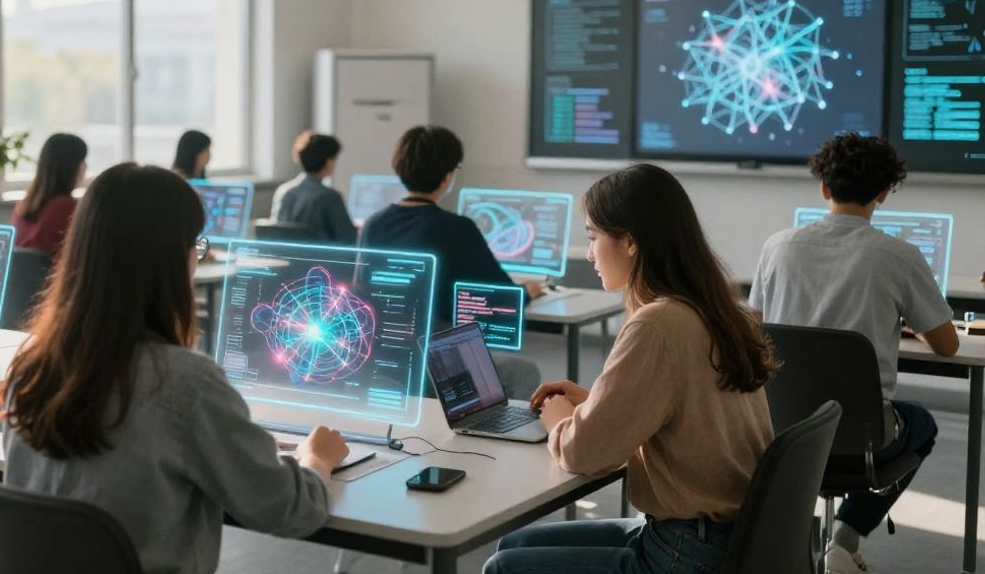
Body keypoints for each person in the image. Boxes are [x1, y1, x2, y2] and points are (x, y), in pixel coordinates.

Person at [0, 163, 347, 574]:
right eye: (194, 246)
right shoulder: (185, 382)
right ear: (171, 258)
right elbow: (289, 510)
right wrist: (317, 459)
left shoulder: (31, 365)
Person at [486, 163, 776, 574]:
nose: (588, 253)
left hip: (687, 552)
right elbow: (685, 414)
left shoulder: (657, 324)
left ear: (630, 241)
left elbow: (584, 453)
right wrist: (596, 403)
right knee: (516, 543)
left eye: (593, 237)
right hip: (729, 538)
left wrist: (559, 421)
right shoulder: (714, 309)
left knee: (503, 567)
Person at [750, 133, 957, 574]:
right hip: (863, 442)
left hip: (780, 433)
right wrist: (912, 327)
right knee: (922, 423)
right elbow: (948, 344)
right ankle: (844, 540)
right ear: (884, 193)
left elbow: (755, 328)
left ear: (824, 187)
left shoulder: (776, 247)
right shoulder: (898, 255)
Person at [360, 126, 542, 397]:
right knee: (524, 372)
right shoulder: (456, 228)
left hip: (381, 361)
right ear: (447, 176)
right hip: (435, 362)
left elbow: (361, 290)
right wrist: (529, 291)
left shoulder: (373, 225)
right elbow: (501, 298)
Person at [11, 133, 88, 258]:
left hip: (25, 277)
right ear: (72, 166)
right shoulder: (67, 207)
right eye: (83, 161)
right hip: (56, 277)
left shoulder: (22, 206)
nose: (86, 167)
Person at [272, 132, 357, 244]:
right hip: (321, 260)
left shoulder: (283, 191)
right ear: (328, 162)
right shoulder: (330, 197)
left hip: (287, 259)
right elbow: (349, 239)